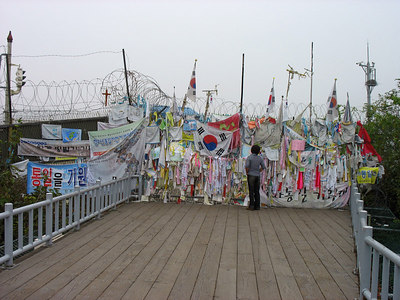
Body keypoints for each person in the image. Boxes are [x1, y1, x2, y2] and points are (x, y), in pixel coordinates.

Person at [245, 145, 266, 210]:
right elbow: (263, 167)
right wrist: (258, 171)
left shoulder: (249, 158)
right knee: (257, 191)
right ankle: (257, 206)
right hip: (257, 176)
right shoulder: (260, 158)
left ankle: (251, 205)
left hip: (251, 175)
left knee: (251, 191)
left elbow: (247, 166)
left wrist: (247, 173)